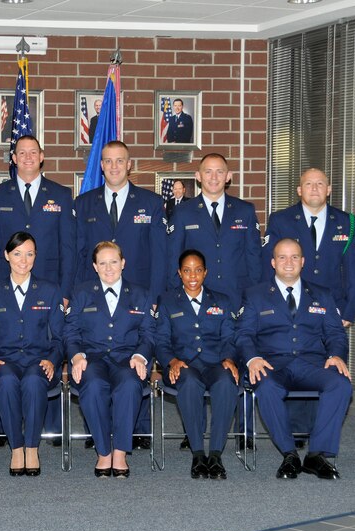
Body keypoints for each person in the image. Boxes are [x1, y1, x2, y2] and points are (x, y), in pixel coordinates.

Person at [0, 135, 75, 446]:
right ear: (13, 158)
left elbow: (68, 247)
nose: (27, 157)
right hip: (7, 287)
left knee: (46, 351)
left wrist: (64, 291)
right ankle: (3, 429)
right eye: (21, 153)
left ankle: (48, 427)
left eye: (32, 152)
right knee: (3, 349)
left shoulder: (60, 194)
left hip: (49, 289)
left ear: (42, 156)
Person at [74, 140, 166, 449]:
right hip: (96, 295)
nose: (114, 166)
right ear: (101, 165)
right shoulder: (84, 203)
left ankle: (136, 431)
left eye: (120, 161)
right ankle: (98, 430)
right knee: (98, 360)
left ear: (129, 165)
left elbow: (159, 254)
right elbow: (78, 253)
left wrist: (154, 297)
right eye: (108, 161)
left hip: (137, 296)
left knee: (133, 362)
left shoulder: (151, 203)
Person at [235, 238, 352, 480]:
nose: (289, 262)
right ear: (273, 262)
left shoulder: (322, 294)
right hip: (272, 365)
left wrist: (336, 355)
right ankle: (289, 454)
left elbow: (335, 333)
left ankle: (316, 455)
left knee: (341, 384)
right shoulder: (255, 295)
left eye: (294, 257)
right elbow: (243, 334)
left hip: (312, 364)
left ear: (303, 262)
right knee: (266, 387)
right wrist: (252, 358)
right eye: (282, 257)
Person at [262, 168, 355, 446]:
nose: (315, 188)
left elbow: (352, 270)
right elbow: (267, 264)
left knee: (326, 366)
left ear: (329, 189)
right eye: (308, 184)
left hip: (331, 311)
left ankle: (320, 434)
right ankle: (295, 434)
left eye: (320, 184)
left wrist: (349, 311)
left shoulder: (347, 222)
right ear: (299, 189)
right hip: (289, 304)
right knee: (291, 358)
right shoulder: (280, 220)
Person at [66, 242, 155, 478]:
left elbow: (149, 334)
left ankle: (120, 453)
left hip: (127, 358)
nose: (108, 268)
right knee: (93, 386)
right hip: (91, 358)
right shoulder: (82, 293)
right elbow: (70, 332)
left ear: (123, 263)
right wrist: (76, 357)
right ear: (94, 267)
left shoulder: (140, 294)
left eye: (113, 262)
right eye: (102, 263)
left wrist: (140, 356)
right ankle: (103, 452)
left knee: (129, 385)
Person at [0, 232, 64, 476]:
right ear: (6, 256)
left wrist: (53, 360)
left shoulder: (49, 290)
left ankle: (32, 447)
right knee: (5, 381)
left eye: (29, 254)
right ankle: (16, 447)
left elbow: (60, 337)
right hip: (5, 361)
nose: (23, 260)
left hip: (39, 361)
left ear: (36, 257)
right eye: (17, 254)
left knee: (33, 381)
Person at [155, 249, 239, 479]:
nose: (193, 276)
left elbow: (230, 337)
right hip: (183, 365)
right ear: (179, 273)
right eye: (187, 270)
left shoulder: (221, 300)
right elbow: (160, 341)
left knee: (226, 382)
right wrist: (170, 361)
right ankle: (198, 454)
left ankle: (215, 454)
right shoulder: (168, 301)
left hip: (215, 363)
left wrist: (230, 359)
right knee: (190, 382)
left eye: (198, 270)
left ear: (206, 273)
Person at [167, 153, 260, 306]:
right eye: (208, 171)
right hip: (196, 296)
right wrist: (176, 295)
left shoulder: (245, 210)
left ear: (228, 176)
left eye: (220, 171)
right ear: (198, 176)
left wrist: (253, 293)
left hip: (237, 296)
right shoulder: (183, 212)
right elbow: (173, 257)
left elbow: (254, 256)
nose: (214, 177)